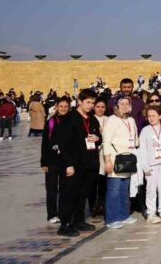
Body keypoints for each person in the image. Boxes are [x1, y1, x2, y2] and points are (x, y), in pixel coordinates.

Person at [53, 89, 102, 236]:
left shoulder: (92, 119)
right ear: (80, 102)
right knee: (69, 195)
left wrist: (98, 138)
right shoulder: (69, 118)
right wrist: (68, 164)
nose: (90, 105)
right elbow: (62, 143)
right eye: (88, 102)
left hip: (89, 164)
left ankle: (78, 220)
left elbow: (98, 136)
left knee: (82, 194)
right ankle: (65, 224)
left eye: (93, 103)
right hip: (74, 164)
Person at [102, 95, 140, 229]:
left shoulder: (131, 120)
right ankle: (112, 218)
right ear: (116, 106)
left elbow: (135, 139)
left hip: (128, 159)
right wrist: (107, 160)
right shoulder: (112, 120)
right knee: (114, 190)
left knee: (124, 189)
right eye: (122, 104)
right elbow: (106, 141)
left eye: (127, 103)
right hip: (115, 158)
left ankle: (124, 215)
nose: (124, 106)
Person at [137, 105, 161, 223]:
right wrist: (145, 167)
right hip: (151, 165)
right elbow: (142, 150)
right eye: (149, 116)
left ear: (160, 116)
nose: (151, 118)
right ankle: (151, 213)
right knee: (151, 189)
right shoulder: (145, 130)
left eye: (153, 115)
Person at [40, 97, 70, 225]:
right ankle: (52, 214)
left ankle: (63, 212)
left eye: (65, 106)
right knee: (51, 189)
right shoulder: (51, 121)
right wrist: (44, 162)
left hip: (66, 160)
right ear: (56, 107)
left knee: (65, 188)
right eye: (61, 106)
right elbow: (45, 143)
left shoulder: (71, 121)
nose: (63, 109)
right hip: (52, 160)